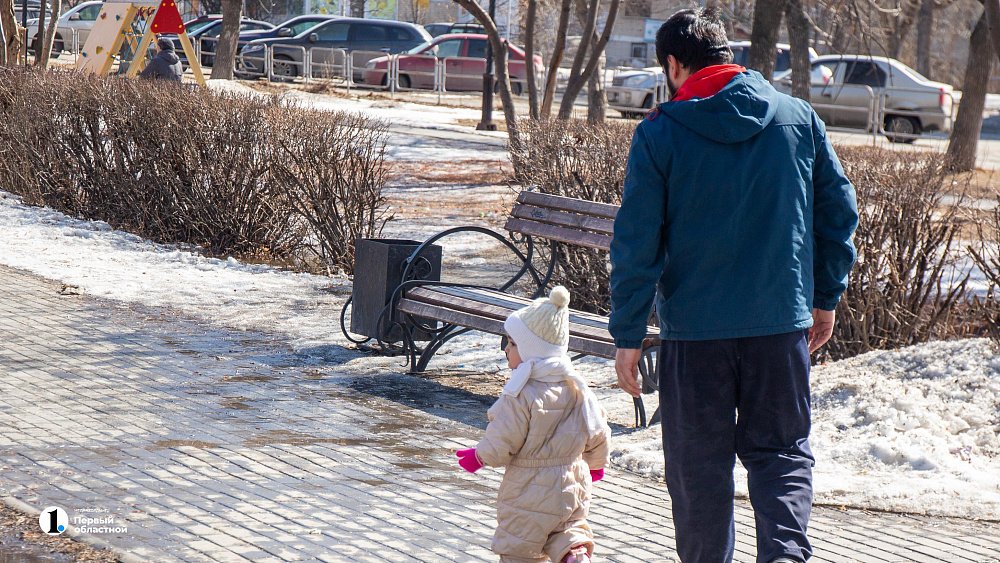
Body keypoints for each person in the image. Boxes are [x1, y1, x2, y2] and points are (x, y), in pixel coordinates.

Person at [608, 7, 858, 563]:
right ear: (728, 55)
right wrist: (825, 297)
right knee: (782, 455)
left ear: (673, 64)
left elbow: (636, 243)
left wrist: (627, 333)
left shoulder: (659, 134)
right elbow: (838, 213)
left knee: (698, 468)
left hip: (695, 337)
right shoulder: (797, 118)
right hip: (780, 327)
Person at [455, 286, 612, 563]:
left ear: (531, 351)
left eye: (512, 344)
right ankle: (574, 556)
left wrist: (479, 457)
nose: (506, 349)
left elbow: (505, 438)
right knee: (567, 532)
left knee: (519, 547)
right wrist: (596, 464)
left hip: (528, 490)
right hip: (573, 483)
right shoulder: (578, 387)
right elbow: (598, 431)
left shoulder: (521, 393)